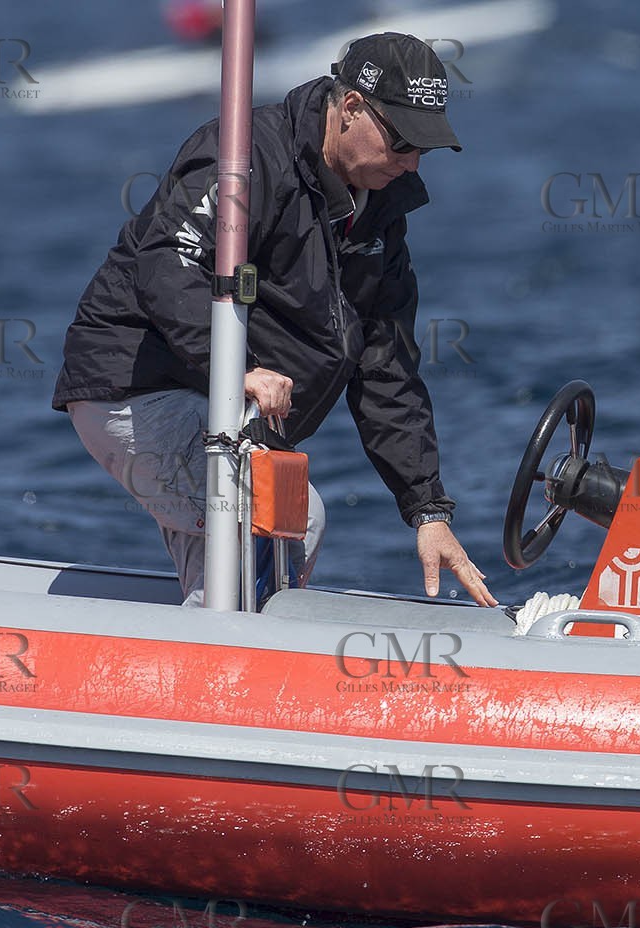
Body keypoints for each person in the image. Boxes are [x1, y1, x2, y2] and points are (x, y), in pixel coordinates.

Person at [53, 33, 497, 608]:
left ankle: (202, 660)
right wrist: (232, 367)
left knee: (242, 552)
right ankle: (224, 665)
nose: (411, 163)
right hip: (136, 387)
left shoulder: (382, 209)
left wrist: (427, 509)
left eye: (424, 150)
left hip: (225, 410)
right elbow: (167, 262)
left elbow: (384, 363)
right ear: (351, 109)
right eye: (403, 142)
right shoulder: (246, 156)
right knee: (287, 511)